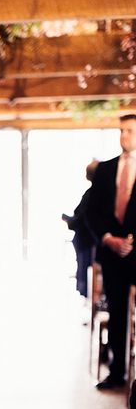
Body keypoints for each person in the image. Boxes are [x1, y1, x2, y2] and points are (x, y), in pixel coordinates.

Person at [87, 114, 136, 390]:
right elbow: (91, 213)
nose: (124, 135)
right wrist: (108, 238)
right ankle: (116, 372)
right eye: (121, 130)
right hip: (112, 254)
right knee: (116, 313)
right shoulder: (105, 170)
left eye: (129, 130)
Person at [62, 160, 98, 298]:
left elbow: (82, 216)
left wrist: (70, 221)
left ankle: (88, 295)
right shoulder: (91, 193)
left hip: (87, 241)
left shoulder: (92, 194)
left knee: (86, 270)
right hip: (85, 239)